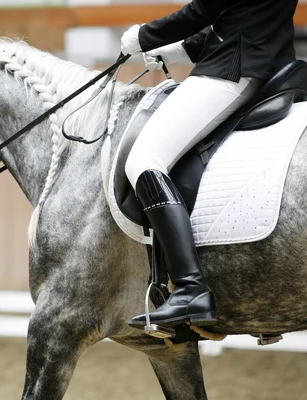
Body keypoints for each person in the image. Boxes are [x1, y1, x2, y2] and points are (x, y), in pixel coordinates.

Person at [120, 0, 299, 330]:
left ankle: (190, 288)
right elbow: (239, 15)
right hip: (267, 62)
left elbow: (204, 9)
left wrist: (143, 36)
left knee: (144, 161)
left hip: (232, 70)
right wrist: (178, 51)